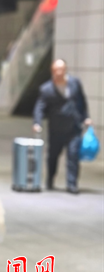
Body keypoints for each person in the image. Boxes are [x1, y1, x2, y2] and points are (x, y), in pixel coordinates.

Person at [33, 59, 91, 194]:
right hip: (56, 129)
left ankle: (72, 184)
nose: (59, 72)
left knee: (73, 156)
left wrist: (86, 117)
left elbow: (82, 101)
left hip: (74, 127)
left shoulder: (75, 83)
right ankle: (50, 180)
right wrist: (37, 122)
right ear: (52, 71)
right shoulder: (46, 89)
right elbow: (39, 107)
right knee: (53, 156)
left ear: (65, 70)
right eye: (56, 70)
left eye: (61, 69)